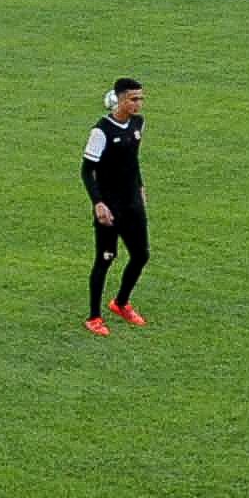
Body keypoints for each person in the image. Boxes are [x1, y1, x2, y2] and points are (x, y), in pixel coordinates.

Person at [82, 77, 150, 335]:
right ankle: (93, 317)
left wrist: (140, 187)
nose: (138, 103)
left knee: (141, 255)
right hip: (110, 208)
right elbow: (87, 171)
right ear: (120, 99)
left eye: (140, 98)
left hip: (133, 203)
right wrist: (98, 203)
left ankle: (120, 303)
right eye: (133, 99)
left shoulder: (138, 123)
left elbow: (132, 160)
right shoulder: (101, 131)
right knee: (105, 259)